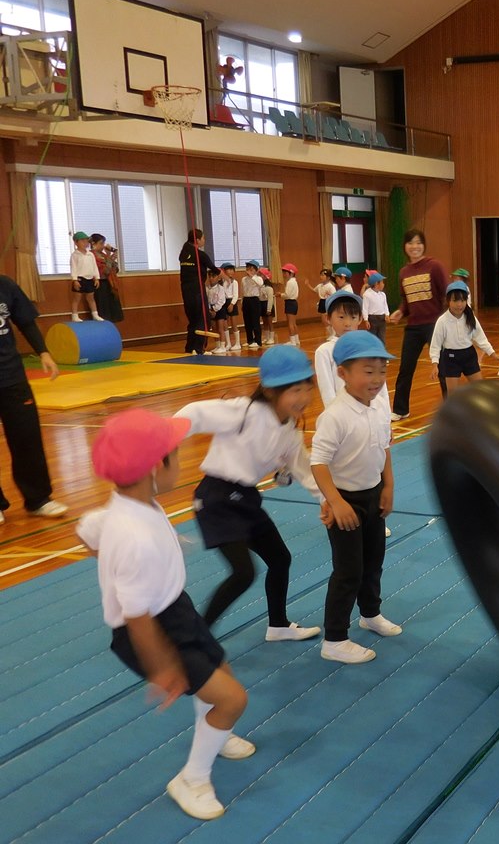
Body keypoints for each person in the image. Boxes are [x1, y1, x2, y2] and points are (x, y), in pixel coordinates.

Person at [77, 408, 253, 821]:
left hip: (174, 608)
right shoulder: (135, 538)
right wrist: (162, 666)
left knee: (220, 670)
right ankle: (191, 779)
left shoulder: (130, 504)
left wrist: (118, 556)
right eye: (177, 453)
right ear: (157, 466)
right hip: (152, 630)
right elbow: (136, 616)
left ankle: (214, 731)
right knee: (233, 699)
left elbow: (87, 529)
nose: (183, 460)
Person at [175, 346, 323, 640]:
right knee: (243, 573)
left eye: (307, 389)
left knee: (280, 559)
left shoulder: (290, 428)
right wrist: (167, 433)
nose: (304, 398)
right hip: (216, 499)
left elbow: (303, 468)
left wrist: (327, 499)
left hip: (245, 499)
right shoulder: (245, 410)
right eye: (295, 390)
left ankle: (278, 625)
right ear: (269, 391)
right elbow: (197, 412)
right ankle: (196, 638)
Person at [311, 331, 401, 665]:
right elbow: (318, 462)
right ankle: (334, 639)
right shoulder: (335, 416)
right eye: (368, 370)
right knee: (348, 570)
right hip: (345, 500)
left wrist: (388, 486)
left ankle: (370, 614)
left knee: (373, 561)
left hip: (373, 495)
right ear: (343, 373)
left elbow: (385, 447)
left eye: (382, 371)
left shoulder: (378, 408)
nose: (377, 379)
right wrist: (335, 501)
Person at [0, 275, 68, 523]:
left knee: (27, 437)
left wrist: (43, 352)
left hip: (12, 378)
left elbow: (26, 322)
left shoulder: (5, 286)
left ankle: (39, 499)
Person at [387, 229, 450, 420]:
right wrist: (400, 311)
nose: (415, 246)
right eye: (410, 243)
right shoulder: (403, 272)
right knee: (405, 369)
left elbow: (446, 294)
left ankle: (451, 410)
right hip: (413, 327)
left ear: (424, 245)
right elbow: (406, 300)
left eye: (418, 242)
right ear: (405, 247)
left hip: (434, 325)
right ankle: (400, 409)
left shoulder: (434, 266)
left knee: (443, 369)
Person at [430, 280, 496, 393]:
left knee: (481, 390)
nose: (459, 304)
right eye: (455, 300)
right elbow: (436, 344)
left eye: (462, 300)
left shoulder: (470, 318)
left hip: (469, 356)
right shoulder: (442, 321)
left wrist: (492, 353)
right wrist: (435, 364)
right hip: (450, 359)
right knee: (452, 395)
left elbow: (480, 337)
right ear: (448, 301)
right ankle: (452, 411)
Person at [314, 289, 365, 407]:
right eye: (341, 317)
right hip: (342, 414)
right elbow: (327, 390)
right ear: (328, 318)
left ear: (360, 319)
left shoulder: (366, 347)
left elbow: (380, 387)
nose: (347, 323)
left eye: (353, 317)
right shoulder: (324, 351)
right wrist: (335, 417)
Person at [178, 230, 214, 354]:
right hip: (197, 288)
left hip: (186, 290)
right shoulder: (199, 254)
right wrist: (224, 277)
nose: (204, 240)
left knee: (193, 319)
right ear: (197, 240)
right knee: (203, 318)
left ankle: (190, 347)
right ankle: (198, 348)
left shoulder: (184, 252)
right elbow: (213, 268)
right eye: (203, 238)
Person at [70, 231, 103, 323]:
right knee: (77, 297)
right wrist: (75, 280)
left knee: (91, 297)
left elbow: (94, 267)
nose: (85, 243)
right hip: (80, 278)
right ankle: (74, 315)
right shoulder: (75, 255)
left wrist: (96, 278)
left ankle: (95, 314)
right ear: (76, 243)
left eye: (86, 241)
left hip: (89, 278)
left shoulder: (90, 254)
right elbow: (73, 268)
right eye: (82, 241)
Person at [90, 233, 123, 322]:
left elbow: (115, 269)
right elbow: (105, 271)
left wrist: (111, 257)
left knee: (112, 308)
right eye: (101, 243)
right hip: (100, 283)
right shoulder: (91, 255)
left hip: (109, 283)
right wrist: (110, 258)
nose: (103, 246)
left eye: (103, 243)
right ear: (93, 243)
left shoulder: (104, 255)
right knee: (103, 308)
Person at [240, 260, 263, 350]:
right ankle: (250, 340)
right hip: (246, 300)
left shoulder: (258, 278)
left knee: (255, 322)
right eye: (248, 268)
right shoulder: (243, 279)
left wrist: (252, 276)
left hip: (254, 300)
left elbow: (260, 284)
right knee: (247, 322)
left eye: (252, 268)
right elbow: (243, 291)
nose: (249, 270)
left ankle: (258, 341)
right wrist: (242, 302)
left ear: (256, 270)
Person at [362, 271, 390, 346]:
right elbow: (365, 308)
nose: (383, 284)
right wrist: (366, 320)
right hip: (372, 319)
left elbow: (385, 306)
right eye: (382, 282)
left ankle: (381, 354)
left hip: (382, 319)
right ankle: (372, 354)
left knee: (382, 338)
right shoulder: (367, 294)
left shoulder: (383, 294)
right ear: (376, 284)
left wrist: (387, 314)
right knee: (372, 338)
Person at [306, 269, 336, 339]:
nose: (321, 276)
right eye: (321, 275)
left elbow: (334, 296)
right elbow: (314, 290)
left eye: (323, 275)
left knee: (329, 319)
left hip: (328, 302)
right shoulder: (320, 285)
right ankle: (331, 334)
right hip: (322, 302)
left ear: (328, 277)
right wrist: (308, 285)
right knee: (323, 320)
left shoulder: (330, 286)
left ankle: (334, 334)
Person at [206, 268, 229, 354]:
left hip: (220, 309)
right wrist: (210, 309)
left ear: (218, 278)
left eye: (214, 276)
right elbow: (207, 300)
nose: (211, 278)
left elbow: (221, 301)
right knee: (214, 328)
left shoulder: (220, 288)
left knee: (220, 328)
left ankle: (223, 346)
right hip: (211, 309)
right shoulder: (207, 288)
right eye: (210, 276)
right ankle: (217, 345)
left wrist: (214, 309)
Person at [220, 264, 241, 351]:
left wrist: (232, 304)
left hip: (232, 301)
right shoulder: (222, 282)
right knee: (225, 324)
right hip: (223, 302)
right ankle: (228, 343)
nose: (231, 271)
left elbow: (236, 295)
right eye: (229, 270)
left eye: (232, 270)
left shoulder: (234, 282)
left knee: (234, 323)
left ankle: (237, 343)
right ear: (224, 271)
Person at [280, 263, 301, 347]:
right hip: (293, 303)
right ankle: (296, 340)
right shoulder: (294, 282)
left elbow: (287, 295)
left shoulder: (290, 282)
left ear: (291, 273)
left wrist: (280, 295)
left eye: (286, 272)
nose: (284, 274)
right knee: (293, 323)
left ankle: (292, 341)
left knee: (290, 323)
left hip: (290, 303)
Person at [258, 267, 277, 346]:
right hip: (262, 304)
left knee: (269, 322)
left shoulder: (269, 288)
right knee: (264, 322)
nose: (260, 276)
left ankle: (272, 338)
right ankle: (266, 337)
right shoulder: (260, 286)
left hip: (268, 305)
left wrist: (269, 309)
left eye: (261, 275)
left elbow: (270, 299)